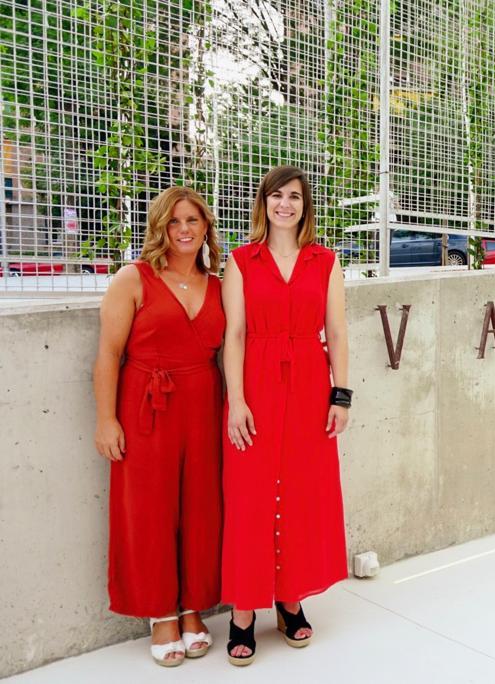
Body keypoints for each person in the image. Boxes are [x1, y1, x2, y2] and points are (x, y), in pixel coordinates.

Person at [221, 165, 350, 666]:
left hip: (310, 387)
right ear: (263, 203)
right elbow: (233, 335)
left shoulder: (325, 261)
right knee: (250, 495)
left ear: (305, 206)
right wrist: (236, 400)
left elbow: (336, 332)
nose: (285, 205)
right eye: (277, 196)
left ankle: (289, 597)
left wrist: (341, 396)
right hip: (255, 384)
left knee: (301, 492)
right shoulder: (240, 261)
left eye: (294, 197)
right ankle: (244, 610)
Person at [93, 186, 225, 667]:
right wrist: (106, 420)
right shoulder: (133, 278)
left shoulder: (219, 283)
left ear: (206, 226)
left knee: (201, 507)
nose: (184, 230)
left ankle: (192, 607)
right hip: (147, 406)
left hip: (204, 404)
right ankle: (160, 612)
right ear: (160, 229)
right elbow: (109, 354)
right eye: (174, 222)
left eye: (192, 220)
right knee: (147, 510)